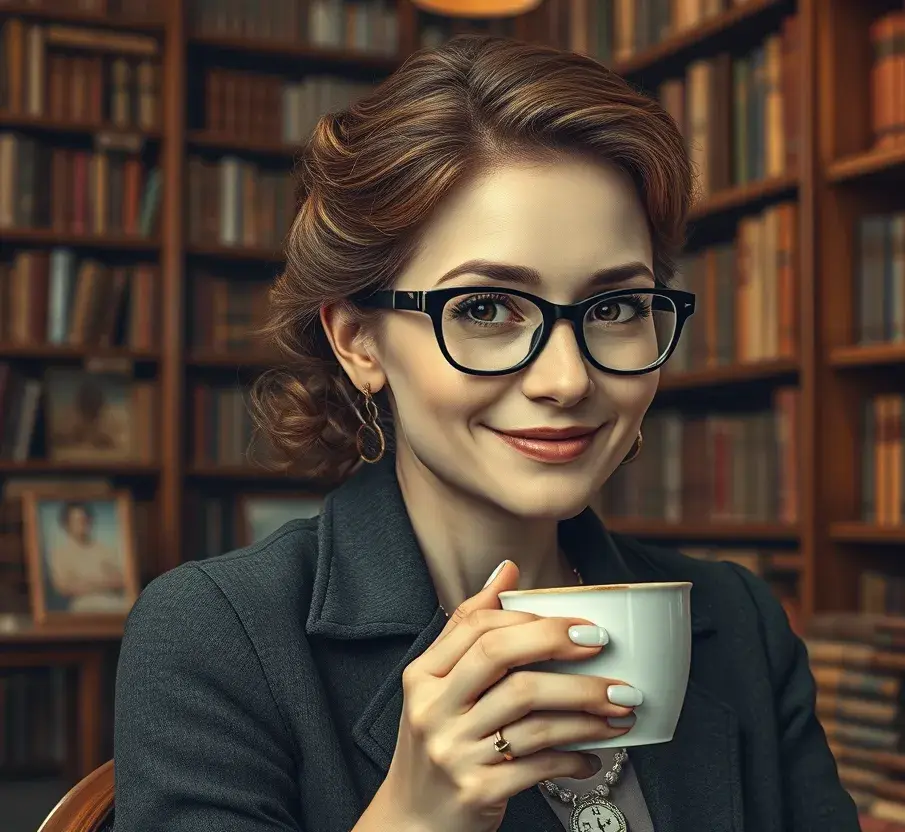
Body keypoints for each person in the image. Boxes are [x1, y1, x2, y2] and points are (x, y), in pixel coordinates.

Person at [112, 35, 859, 832]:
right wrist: (413, 817)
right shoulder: (217, 636)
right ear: (359, 341)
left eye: (613, 309)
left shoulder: (739, 621)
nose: (568, 379)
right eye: (485, 309)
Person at [45, 501, 129, 613]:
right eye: (77, 521)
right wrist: (102, 581)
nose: (82, 524)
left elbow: (122, 580)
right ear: (67, 524)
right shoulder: (60, 553)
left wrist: (87, 582)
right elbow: (62, 587)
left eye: (84, 520)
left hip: (113, 603)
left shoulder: (105, 549)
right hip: (83, 606)